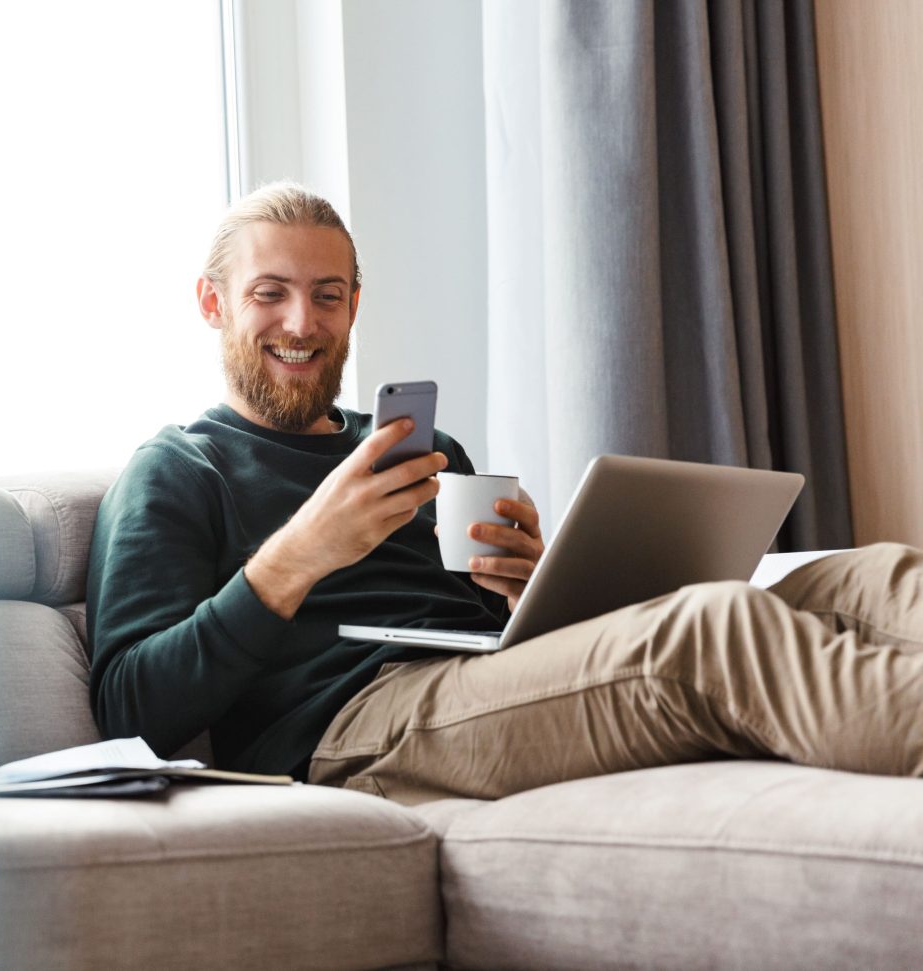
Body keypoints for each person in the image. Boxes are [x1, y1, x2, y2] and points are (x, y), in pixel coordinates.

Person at [87, 182, 923, 805]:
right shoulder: (178, 469)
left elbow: (505, 647)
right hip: (353, 726)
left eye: (327, 295)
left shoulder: (424, 453)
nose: (302, 322)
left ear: (353, 305)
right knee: (716, 628)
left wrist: (532, 587)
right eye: (270, 294)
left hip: (487, 682)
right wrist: (295, 558)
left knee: (868, 575)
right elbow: (133, 709)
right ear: (213, 303)